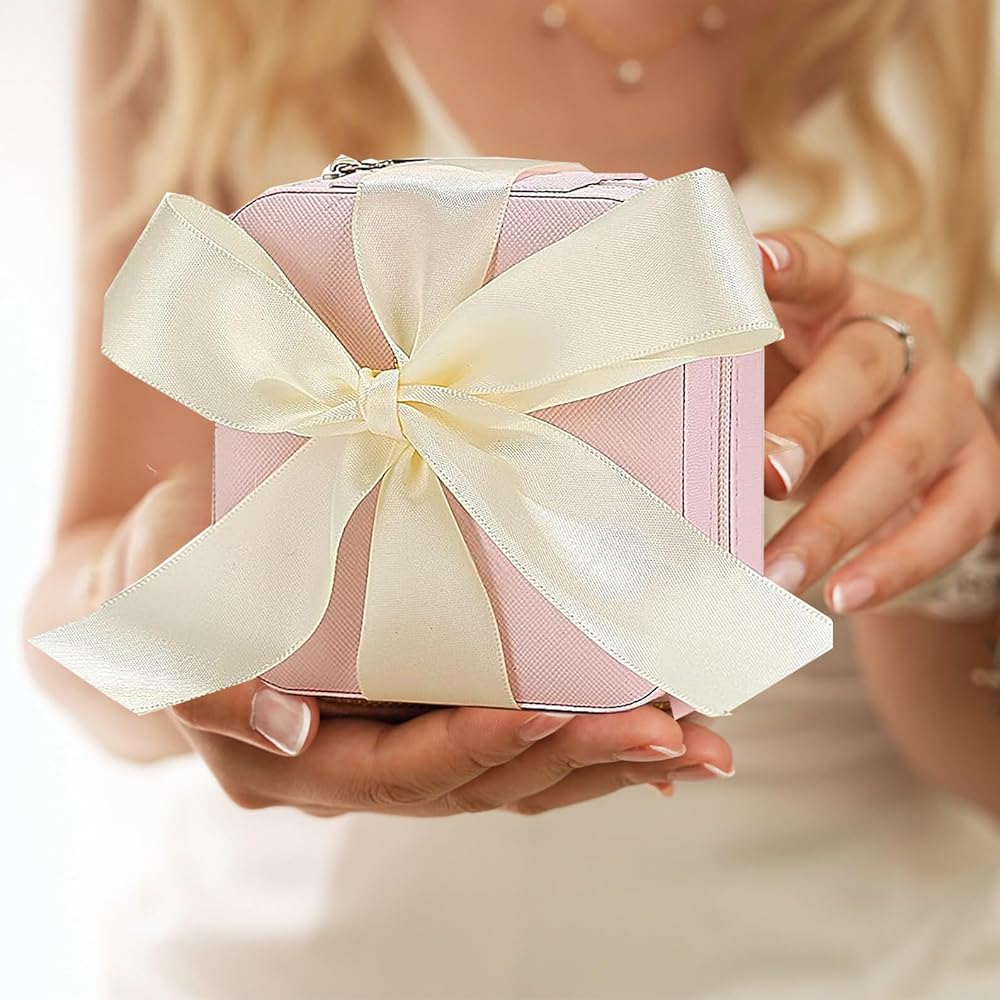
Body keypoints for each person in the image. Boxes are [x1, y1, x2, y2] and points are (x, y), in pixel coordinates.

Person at [23, 1, 1000, 996]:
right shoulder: (212, 17)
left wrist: (940, 549)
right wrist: (169, 620)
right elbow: (75, 610)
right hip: (284, 961)